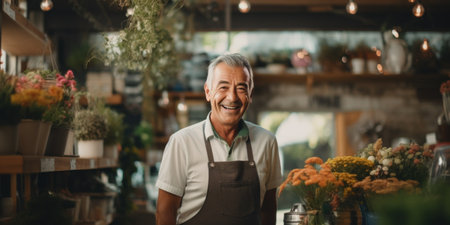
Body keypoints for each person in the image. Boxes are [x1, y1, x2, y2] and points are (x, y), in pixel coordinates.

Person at [155, 53, 282, 225]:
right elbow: (165, 213)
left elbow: (268, 210)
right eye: (223, 87)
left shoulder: (267, 142)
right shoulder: (182, 143)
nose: (232, 97)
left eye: (241, 88)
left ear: (250, 95)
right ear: (208, 92)